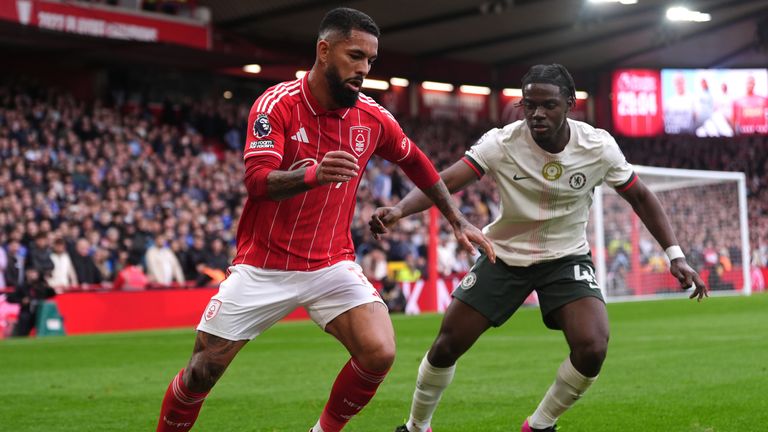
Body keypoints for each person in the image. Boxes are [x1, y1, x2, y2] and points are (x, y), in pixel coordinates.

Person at [154, 8, 494, 432]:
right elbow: (257, 182)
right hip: (263, 266)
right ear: (324, 50)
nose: (364, 70)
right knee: (202, 371)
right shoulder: (276, 105)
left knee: (379, 351)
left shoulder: (372, 116)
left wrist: (457, 219)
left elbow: (417, 163)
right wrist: (311, 173)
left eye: (371, 61)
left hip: (331, 264)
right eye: (355, 56)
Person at [370, 64, 709, 432]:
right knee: (448, 344)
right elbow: (446, 180)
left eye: (547, 105)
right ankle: (416, 426)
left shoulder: (597, 146)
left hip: (566, 258)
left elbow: (641, 197)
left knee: (593, 346)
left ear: (570, 104)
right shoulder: (502, 142)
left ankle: (540, 424)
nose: (536, 114)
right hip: (505, 255)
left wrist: (675, 255)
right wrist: (400, 209)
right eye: (529, 105)